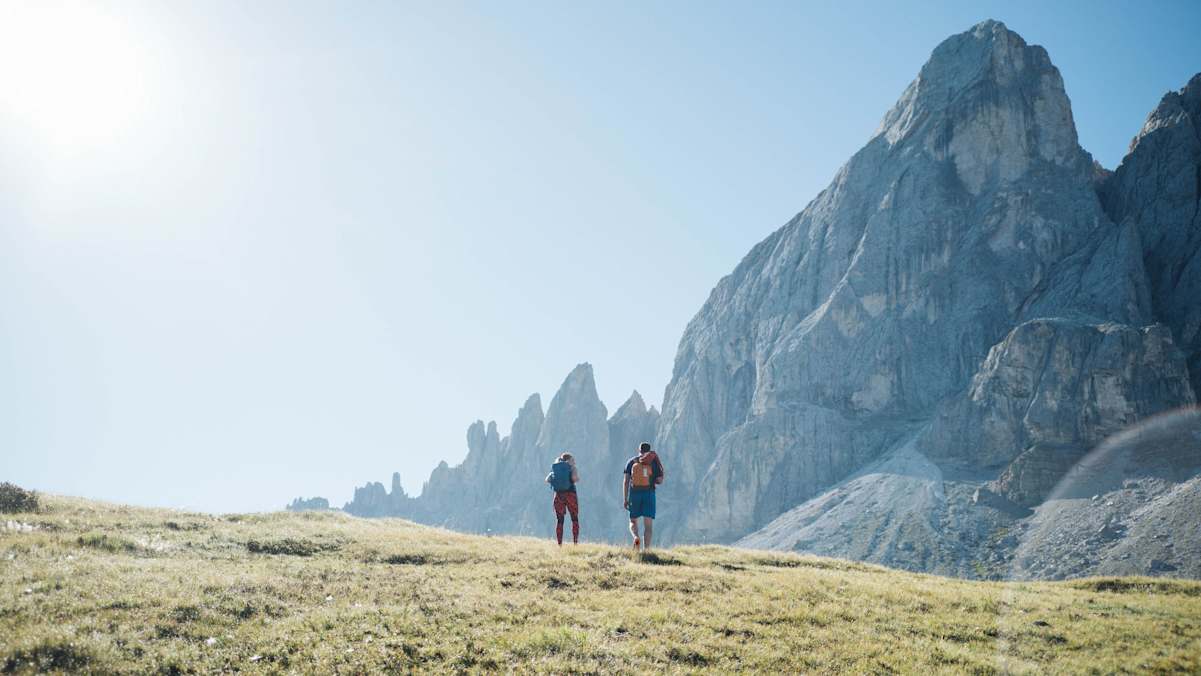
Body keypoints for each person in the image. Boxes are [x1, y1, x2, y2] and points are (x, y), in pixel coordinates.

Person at [622, 442, 664, 551]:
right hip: (649, 493)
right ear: (649, 450)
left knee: (633, 521)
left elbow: (626, 481)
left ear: (639, 450)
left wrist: (625, 499)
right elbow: (660, 480)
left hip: (634, 494)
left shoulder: (631, 462)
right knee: (648, 526)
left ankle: (636, 537)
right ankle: (647, 550)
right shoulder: (653, 462)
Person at [545, 452, 580, 545]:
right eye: (573, 460)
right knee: (574, 519)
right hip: (571, 494)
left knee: (560, 520)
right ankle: (575, 543)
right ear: (569, 460)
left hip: (559, 495)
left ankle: (559, 544)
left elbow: (547, 479)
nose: (574, 462)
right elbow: (574, 478)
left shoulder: (556, 468)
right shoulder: (572, 468)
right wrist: (574, 475)